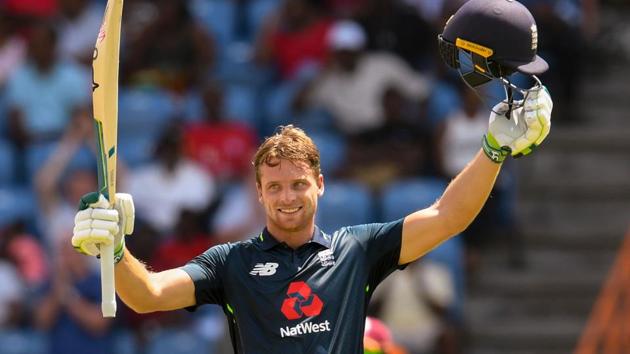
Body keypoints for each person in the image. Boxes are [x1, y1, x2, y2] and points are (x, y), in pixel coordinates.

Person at [70, 1, 553, 353]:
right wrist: (114, 251)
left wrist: (492, 149)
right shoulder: (231, 264)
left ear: (320, 184)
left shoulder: (356, 251)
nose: (287, 197)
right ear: (258, 193)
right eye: (275, 187)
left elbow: (448, 216)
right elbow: (147, 294)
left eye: (298, 183)